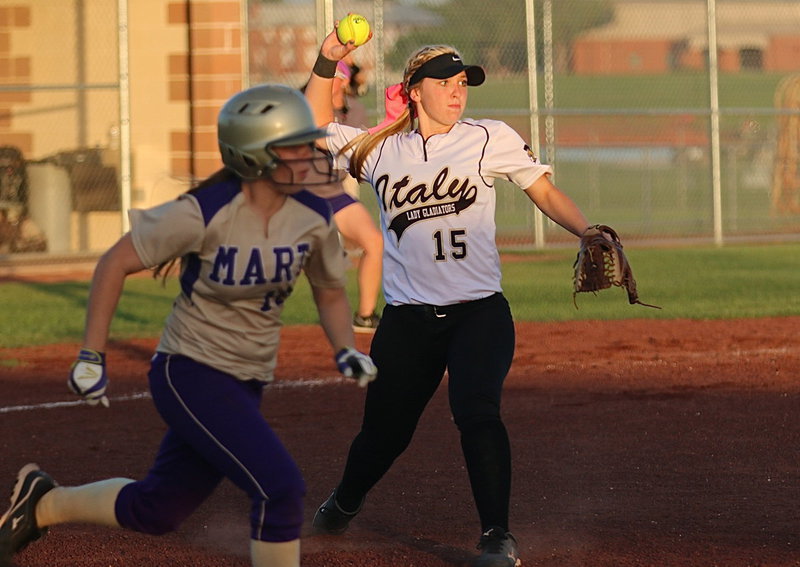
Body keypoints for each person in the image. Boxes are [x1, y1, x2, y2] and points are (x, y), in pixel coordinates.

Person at [0, 84, 377, 567]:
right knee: (280, 489)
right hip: (189, 371)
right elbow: (114, 262)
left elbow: (328, 289)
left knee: (159, 508)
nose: (311, 156)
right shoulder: (206, 210)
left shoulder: (312, 216)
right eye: (296, 146)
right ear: (253, 154)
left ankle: (42, 503)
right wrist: (92, 355)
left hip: (247, 377)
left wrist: (345, 347)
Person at [303, 28, 599, 567]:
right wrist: (327, 60)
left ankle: (496, 537)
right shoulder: (377, 148)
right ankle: (344, 502)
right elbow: (312, 123)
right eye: (444, 82)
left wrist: (587, 231)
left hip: (479, 314)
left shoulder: (489, 137)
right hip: (409, 322)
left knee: (477, 411)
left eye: (463, 82)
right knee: (384, 434)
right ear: (414, 91)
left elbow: (544, 190)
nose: (457, 91)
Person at [303, 59, 384, 333]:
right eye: (330, 75)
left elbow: (356, 151)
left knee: (373, 241)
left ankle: (364, 316)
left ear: (346, 82)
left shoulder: (355, 111)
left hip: (331, 190)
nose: (333, 80)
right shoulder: (303, 106)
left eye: (339, 75)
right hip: (299, 192)